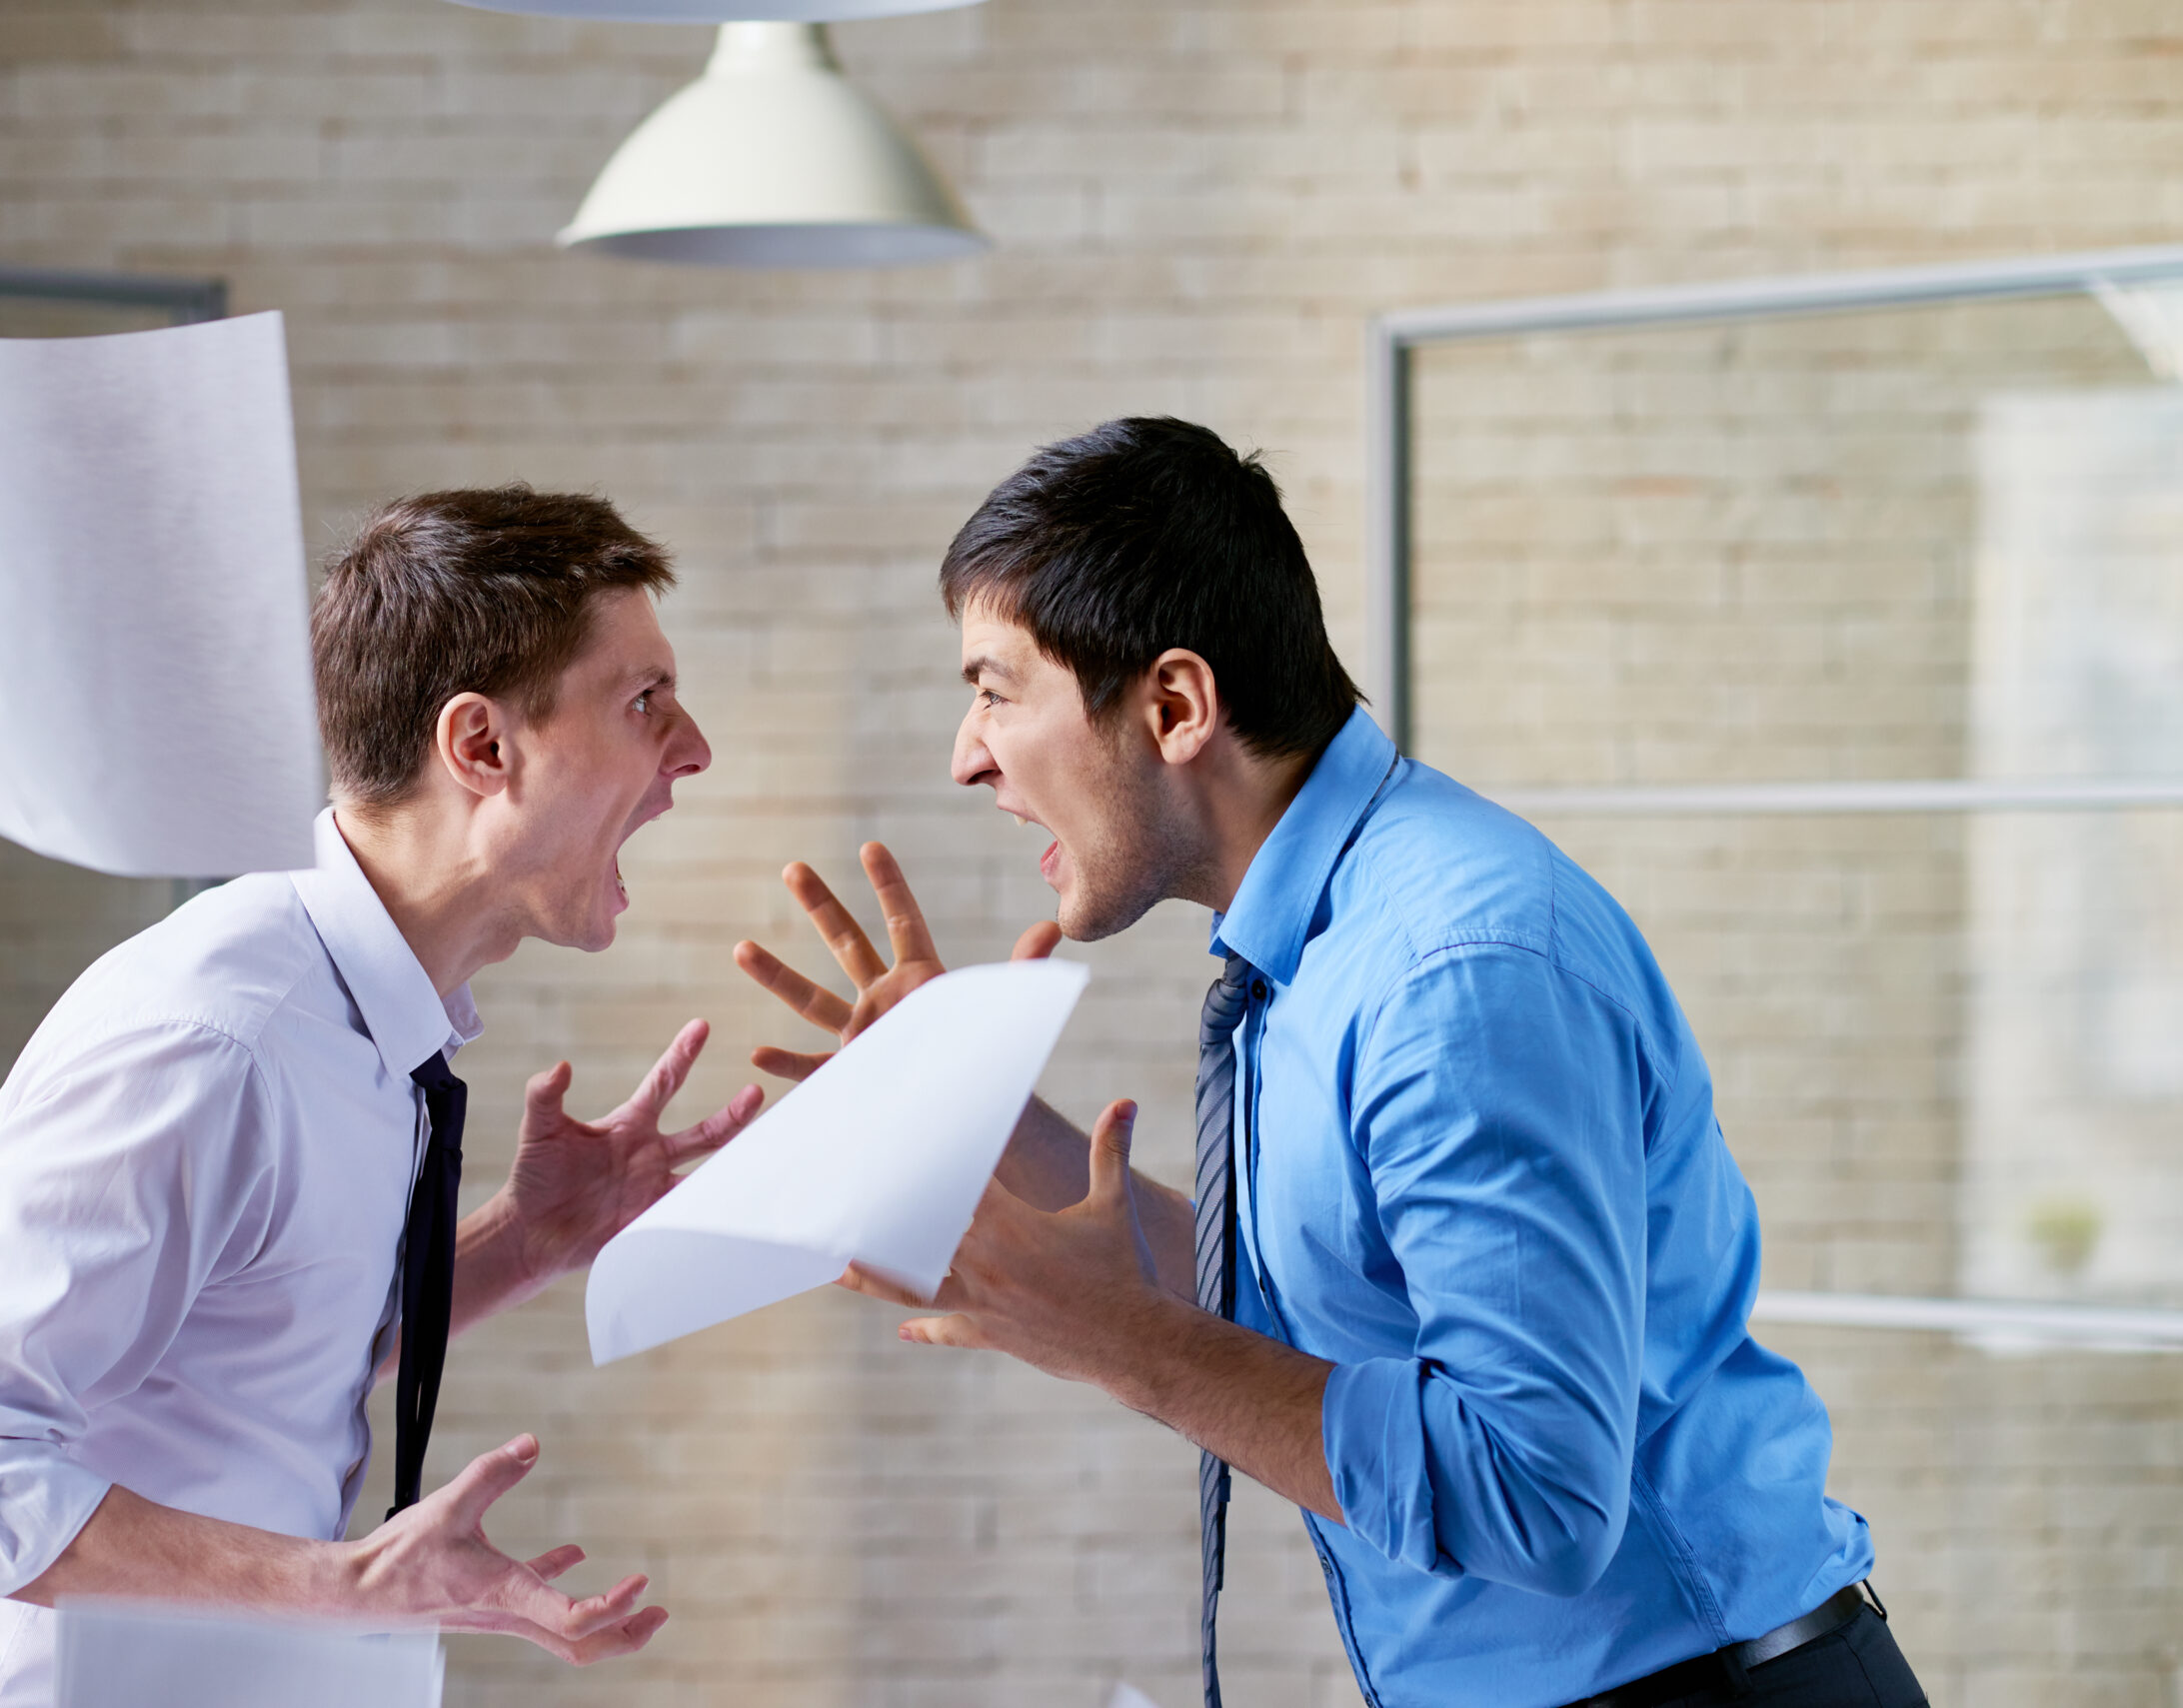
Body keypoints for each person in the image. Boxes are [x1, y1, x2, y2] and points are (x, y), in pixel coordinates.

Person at [734, 419, 1927, 1708]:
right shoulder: (1325, 944)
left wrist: (1116, 1340)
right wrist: (976, 1121)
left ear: (1174, 706)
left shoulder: (1449, 969)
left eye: (994, 687)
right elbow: (1317, 1317)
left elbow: (1536, 1492)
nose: (966, 753)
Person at [0, 487, 762, 1708]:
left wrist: (528, 1243)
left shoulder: (363, 1020)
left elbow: (252, 1352)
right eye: (644, 701)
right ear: (480, 748)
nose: (691, 747)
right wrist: (347, 1588)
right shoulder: (212, 1042)